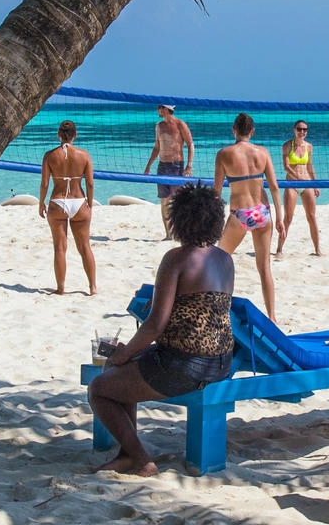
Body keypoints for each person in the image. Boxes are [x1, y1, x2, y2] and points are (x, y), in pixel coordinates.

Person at [87, 183, 235, 476]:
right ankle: (127, 454)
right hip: (221, 362)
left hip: (183, 365)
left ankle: (141, 459)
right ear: (215, 220)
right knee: (123, 369)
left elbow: (156, 323)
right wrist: (130, 354)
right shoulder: (225, 259)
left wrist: (124, 353)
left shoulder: (176, 259)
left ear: (179, 219)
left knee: (100, 389)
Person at [214, 112, 281, 319]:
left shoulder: (224, 154)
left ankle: (218, 310)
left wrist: (213, 219)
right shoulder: (262, 153)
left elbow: (216, 192)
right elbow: (275, 187)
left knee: (218, 262)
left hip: (240, 214)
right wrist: (280, 219)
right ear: (252, 132)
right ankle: (272, 316)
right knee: (264, 268)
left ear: (234, 129)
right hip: (262, 213)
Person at [39, 120, 98, 296]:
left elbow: (44, 184)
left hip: (58, 202)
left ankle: (61, 288)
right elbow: (90, 183)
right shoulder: (84, 155)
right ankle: (92, 287)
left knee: (59, 248)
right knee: (85, 246)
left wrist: (41, 202)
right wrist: (90, 202)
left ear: (58, 135)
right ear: (75, 135)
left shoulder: (49, 156)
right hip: (79, 201)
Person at [143, 102, 195, 236]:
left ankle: (181, 231)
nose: (157, 110)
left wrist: (189, 165)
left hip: (177, 166)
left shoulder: (180, 124)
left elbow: (190, 144)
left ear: (165, 109)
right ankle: (168, 234)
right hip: (162, 166)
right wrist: (148, 165)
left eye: (159, 107)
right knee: (164, 201)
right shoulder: (159, 126)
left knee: (178, 201)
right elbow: (156, 147)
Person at [274, 119, 321, 258]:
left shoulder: (309, 146)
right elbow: (286, 166)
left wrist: (315, 183)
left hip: (307, 183)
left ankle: (318, 250)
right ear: (294, 130)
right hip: (292, 184)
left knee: (311, 217)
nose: (302, 132)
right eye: (299, 129)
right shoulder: (287, 145)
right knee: (287, 218)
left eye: (305, 129)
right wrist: (297, 177)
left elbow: (310, 166)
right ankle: (279, 249)